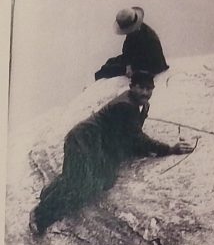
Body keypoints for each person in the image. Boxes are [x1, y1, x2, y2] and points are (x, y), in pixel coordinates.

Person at [30, 71, 192, 235]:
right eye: (141, 88)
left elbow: (129, 135)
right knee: (80, 185)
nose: (145, 93)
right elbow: (137, 137)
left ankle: (49, 192)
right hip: (82, 141)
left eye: (149, 89)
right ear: (132, 87)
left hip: (95, 143)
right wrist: (169, 149)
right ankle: (40, 216)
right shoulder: (126, 105)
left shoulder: (141, 105)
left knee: (98, 181)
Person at [95, 6, 169, 80]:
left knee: (106, 71)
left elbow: (156, 64)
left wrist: (131, 68)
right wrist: (128, 64)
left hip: (147, 64)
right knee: (110, 61)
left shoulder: (150, 38)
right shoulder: (134, 32)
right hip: (134, 58)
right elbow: (127, 49)